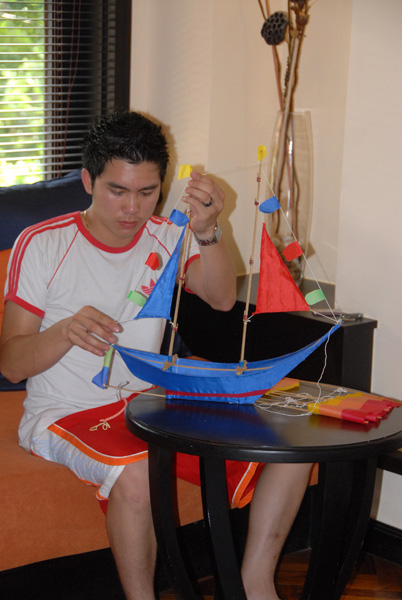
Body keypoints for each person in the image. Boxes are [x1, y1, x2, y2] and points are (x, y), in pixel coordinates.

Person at [0, 110, 312, 600]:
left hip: (153, 401)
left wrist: (208, 229)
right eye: (116, 191)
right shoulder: (41, 244)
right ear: (87, 180)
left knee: (292, 441)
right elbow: (11, 363)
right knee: (141, 472)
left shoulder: (166, 235)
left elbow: (221, 299)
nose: (132, 208)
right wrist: (63, 331)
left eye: (147, 192)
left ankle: (254, 583)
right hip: (64, 412)